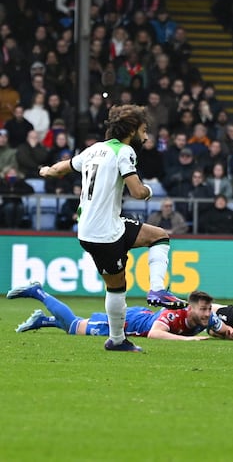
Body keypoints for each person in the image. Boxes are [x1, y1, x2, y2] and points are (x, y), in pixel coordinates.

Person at [37, 104, 185, 353]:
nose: (146, 136)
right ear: (131, 130)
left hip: (91, 229)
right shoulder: (124, 151)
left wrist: (45, 171)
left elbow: (61, 168)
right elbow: (137, 192)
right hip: (105, 233)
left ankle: (120, 336)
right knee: (118, 285)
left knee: (157, 239)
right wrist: (150, 191)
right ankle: (126, 329)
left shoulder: (94, 149)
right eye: (144, 130)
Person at [9, 283, 233, 341]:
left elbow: (222, 329)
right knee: (74, 326)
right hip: (130, 323)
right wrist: (189, 341)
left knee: (76, 326)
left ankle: (44, 321)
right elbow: (155, 334)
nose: (207, 314)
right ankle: (38, 292)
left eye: (207, 310)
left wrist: (229, 334)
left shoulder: (208, 317)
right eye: (203, 309)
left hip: (140, 317)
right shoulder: (174, 314)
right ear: (190, 307)